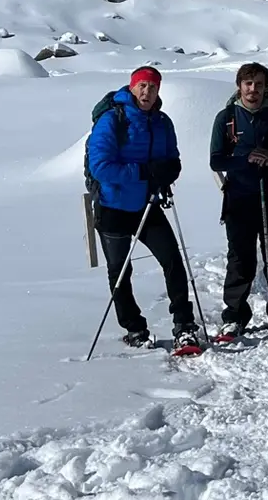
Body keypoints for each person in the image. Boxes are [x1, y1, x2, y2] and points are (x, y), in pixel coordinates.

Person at [87, 66, 200, 351]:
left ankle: (184, 326)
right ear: (132, 87)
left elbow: (171, 158)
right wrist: (145, 172)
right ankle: (134, 328)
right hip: (112, 205)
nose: (147, 92)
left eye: (152, 87)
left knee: (173, 261)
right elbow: (100, 167)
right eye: (142, 86)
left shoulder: (162, 122)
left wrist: (169, 171)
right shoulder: (113, 120)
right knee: (120, 271)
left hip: (147, 205)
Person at [208, 62, 268, 340]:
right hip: (239, 197)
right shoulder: (227, 118)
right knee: (240, 258)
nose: (253, 89)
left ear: (266, 87)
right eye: (248, 84)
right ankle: (234, 315)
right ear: (239, 86)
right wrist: (244, 159)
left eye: (259, 84)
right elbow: (215, 159)